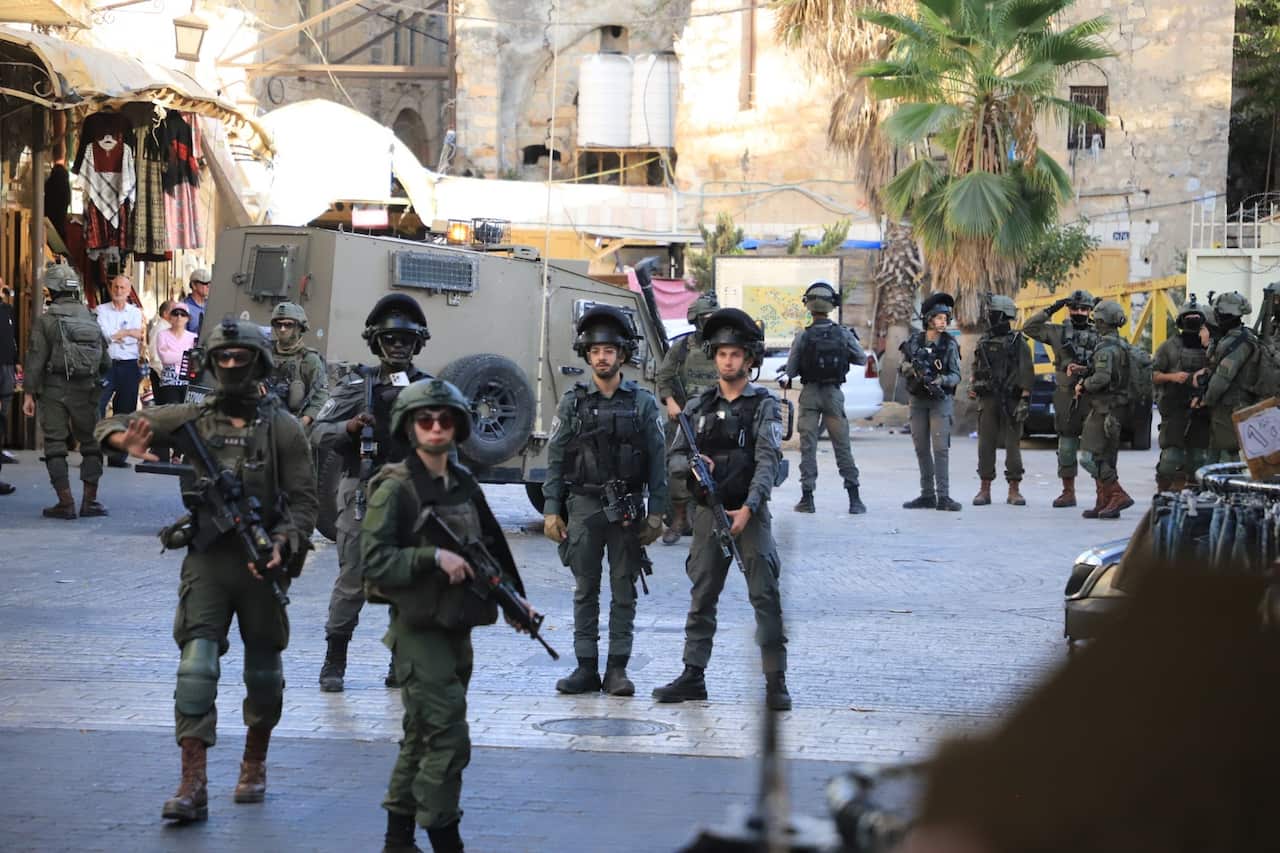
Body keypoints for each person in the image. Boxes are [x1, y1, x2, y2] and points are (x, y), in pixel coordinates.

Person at [94, 318, 316, 824]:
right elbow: (113, 423)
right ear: (212, 363)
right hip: (208, 562)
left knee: (263, 673)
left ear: (259, 362)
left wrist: (284, 541)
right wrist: (123, 442)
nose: (232, 366)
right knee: (196, 669)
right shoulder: (193, 418)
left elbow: (304, 503)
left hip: (261, 566)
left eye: (242, 358)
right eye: (224, 358)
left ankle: (254, 764)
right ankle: (193, 784)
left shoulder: (282, 428)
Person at [362, 378, 533, 853]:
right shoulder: (394, 488)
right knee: (449, 740)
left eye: (445, 420)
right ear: (409, 427)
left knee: (420, 737)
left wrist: (516, 602)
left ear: (458, 426)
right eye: (425, 420)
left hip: (457, 629)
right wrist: (430, 559)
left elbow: (489, 551)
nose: (436, 427)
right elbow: (370, 563)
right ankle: (445, 838)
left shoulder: (462, 484)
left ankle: (397, 840)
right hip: (418, 633)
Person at [651, 307, 790, 711]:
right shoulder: (697, 406)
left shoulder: (763, 405)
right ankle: (693, 675)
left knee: (765, 596)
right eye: (722, 354)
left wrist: (748, 509)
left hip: (749, 513)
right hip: (708, 514)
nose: (728, 361)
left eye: (736, 355)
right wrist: (695, 469)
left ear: (749, 360)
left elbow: (768, 460)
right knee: (702, 595)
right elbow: (675, 457)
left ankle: (775, 681)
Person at [311, 293, 432, 693]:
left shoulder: (429, 389)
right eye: (389, 340)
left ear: (417, 344)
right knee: (353, 578)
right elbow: (316, 431)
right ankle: (334, 660)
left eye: (405, 341)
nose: (397, 347)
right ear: (376, 342)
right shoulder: (356, 386)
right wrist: (347, 429)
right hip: (361, 490)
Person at [543, 305, 667, 696]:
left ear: (622, 355)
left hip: (627, 508)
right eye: (595, 350)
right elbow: (557, 457)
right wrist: (551, 510)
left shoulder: (643, 403)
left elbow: (658, 459)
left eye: (610, 350)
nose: (602, 356)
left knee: (623, 589)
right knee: (585, 588)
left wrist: (658, 512)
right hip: (583, 506)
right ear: (586, 354)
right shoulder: (573, 402)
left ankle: (617, 669)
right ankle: (585, 667)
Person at [22, 263, 112, 518]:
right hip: (87, 390)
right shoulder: (90, 317)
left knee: (54, 443)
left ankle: (66, 502)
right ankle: (90, 501)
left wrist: (29, 393)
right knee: (91, 444)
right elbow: (106, 363)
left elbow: (36, 359)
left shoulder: (47, 320)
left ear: (52, 290)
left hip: (54, 390)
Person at [778, 280, 868, 515]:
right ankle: (854, 499)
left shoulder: (803, 336)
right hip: (833, 395)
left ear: (808, 305)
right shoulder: (843, 333)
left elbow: (792, 371)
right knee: (842, 446)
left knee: (808, 448)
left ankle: (807, 499)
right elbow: (861, 358)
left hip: (810, 396)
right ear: (831, 305)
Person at [1022, 289, 1100, 508]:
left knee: (1096, 447)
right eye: (1074, 308)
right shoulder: (1058, 332)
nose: (1079, 312)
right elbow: (1029, 328)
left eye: (1084, 308)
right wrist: (1051, 309)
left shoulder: (1099, 334)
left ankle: (1104, 492)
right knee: (1066, 444)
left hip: (1092, 394)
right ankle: (1068, 492)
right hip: (1065, 394)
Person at [656, 292, 721, 544]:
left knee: (724, 468)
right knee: (676, 469)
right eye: (707, 318)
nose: (712, 323)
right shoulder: (682, 347)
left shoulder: (724, 346)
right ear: (696, 320)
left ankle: (719, 520)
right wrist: (670, 402)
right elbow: (664, 377)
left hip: (717, 420)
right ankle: (680, 518)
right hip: (685, 419)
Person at [899, 293, 963, 511]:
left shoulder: (950, 344)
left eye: (946, 318)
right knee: (921, 448)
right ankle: (927, 495)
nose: (943, 321)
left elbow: (956, 375)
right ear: (928, 319)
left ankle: (943, 496)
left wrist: (941, 379)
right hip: (917, 400)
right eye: (939, 318)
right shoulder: (914, 341)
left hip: (940, 400)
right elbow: (902, 366)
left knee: (940, 449)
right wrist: (912, 369)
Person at [969, 295, 1034, 506]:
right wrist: (973, 386)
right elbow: (976, 367)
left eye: (992, 313)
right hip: (988, 399)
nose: (989, 316)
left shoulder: (1018, 343)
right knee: (985, 444)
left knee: (1012, 445)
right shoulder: (984, 341)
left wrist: (1024, 400)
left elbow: (1026, 372)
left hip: (1011, 400)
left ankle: (1014, 489)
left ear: (1002, 315)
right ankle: (984, 489)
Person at [1071, 299, 1133, 519]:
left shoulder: (1106, 348)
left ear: (1101, 321)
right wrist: (1085, 368)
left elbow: (1102, 377)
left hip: (1104, 408)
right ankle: (1104, 500)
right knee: (1106, 456)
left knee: (1090, 457)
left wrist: (1083, 384)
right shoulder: (1121, 344)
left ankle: (1117, 494)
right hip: (1116, 408)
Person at [1152, 300, 1211, 490]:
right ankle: (1163, 493)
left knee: (1198, 459)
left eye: (1196, 317)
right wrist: (1172, 376)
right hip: (1175, 407)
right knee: (1171, 457)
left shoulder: (1210, 347)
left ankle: (1193, 496)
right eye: (1188, 317)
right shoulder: (1168, 347)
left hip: (1201, 409)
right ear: (1180, 321)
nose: (1192, 321)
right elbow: (1151, 375)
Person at [1194, 291, 1258, 463]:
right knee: (1215, 452)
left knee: (1227, 455)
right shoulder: (1233, 339)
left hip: (1232, 407)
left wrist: (1205, 399)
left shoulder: (1238, 342)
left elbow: (1222, 378)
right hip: (1226, 406)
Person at [96, 274, 145, 467]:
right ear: (110, 289)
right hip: (106, 364)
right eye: (115, 287)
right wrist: (127, 333)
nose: (118, 291)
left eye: (122, 288)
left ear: (128, 290)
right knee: (97, 407)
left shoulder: (135, 312)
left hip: (128, 364)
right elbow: (105, 336)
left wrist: (122, 334)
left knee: (125, 411)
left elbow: (139, 335)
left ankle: (118, 457)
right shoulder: (100, 310)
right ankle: (95, 454)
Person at [266, 301, 329, 426]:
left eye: (288, 325)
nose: (282, 329)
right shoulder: (264, 354)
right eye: (278, 324)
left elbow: (320, 397)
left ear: (299, 327)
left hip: (295, 424)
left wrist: (304, 422)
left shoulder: (309, 359)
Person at [155, 304, 197, 405]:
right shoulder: (162, 334)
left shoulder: (193, 337)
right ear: (170, 317)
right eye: (176, 314)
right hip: (169, 381)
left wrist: (173, 354)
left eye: (183, 314)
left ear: (187, 318)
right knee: (172, 414)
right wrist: (186, 355)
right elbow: (165, 358)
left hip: (188, 381)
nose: (179, 317)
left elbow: (195, 358)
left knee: (187, 414)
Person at [0, 280, 16, 494]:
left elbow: (11, 338)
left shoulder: (7, 309)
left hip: (7, 366)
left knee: (3, 412)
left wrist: (16, 358)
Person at [183, 268, 211, 335]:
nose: (208, 286)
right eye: (204, 283)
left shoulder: (212, 305)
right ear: (194, 285)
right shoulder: (184, 307)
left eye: (209, 283)